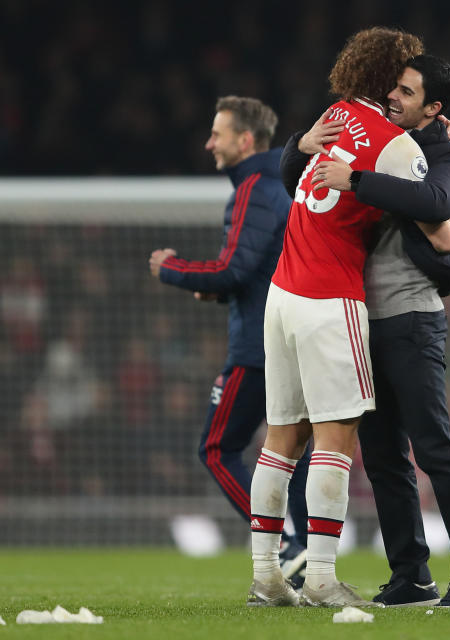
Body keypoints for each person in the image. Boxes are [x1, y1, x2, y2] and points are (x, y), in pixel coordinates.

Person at [285, 54, 450, 609]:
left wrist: (358, 178)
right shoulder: (373, 137)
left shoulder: (446, 152)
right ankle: (411, 575)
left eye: (407, 92)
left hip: (411, 318)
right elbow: (302, 184)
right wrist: (300, 144)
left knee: (435, 449)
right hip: (358, 319)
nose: (393, 98)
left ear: (434, 108)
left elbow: (441, 203)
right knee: (382, 459)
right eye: (393, 88)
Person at [246, 27, 442, 609]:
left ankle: (265, 578)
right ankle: (324, 579)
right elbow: (435, 208)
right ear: (393, 79)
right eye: (408, 72)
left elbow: (300, 174)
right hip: (330, 297)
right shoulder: (397, 146)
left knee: (280, 439)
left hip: (281, 291)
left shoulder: (332, 117)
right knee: (337, 438)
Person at [148, 95, 310, 585]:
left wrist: (170, 268)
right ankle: (309, 556)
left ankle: (284, 543)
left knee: (217, 448)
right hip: (290, 339)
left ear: (245, 140)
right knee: (294, 449)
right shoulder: (279, 186)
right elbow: (260, 271)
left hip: (259, 348)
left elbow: (232, 268)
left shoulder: (255, 188)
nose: (208, 143)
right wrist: (216, 293)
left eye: (217, 134)